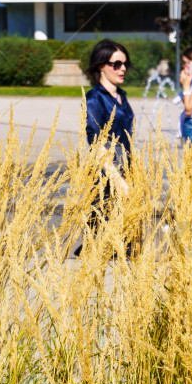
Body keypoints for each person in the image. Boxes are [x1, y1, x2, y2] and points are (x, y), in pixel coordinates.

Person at [75, 38, 135, 258]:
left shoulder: (121, 96)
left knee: (126, 239)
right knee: (102, 240)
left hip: (126, 167)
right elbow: (96, 143)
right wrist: (116, 179)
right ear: (101, 65)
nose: (123, 69)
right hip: (105, 173)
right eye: (116, 64)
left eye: (125, 63)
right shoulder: (94, 99)